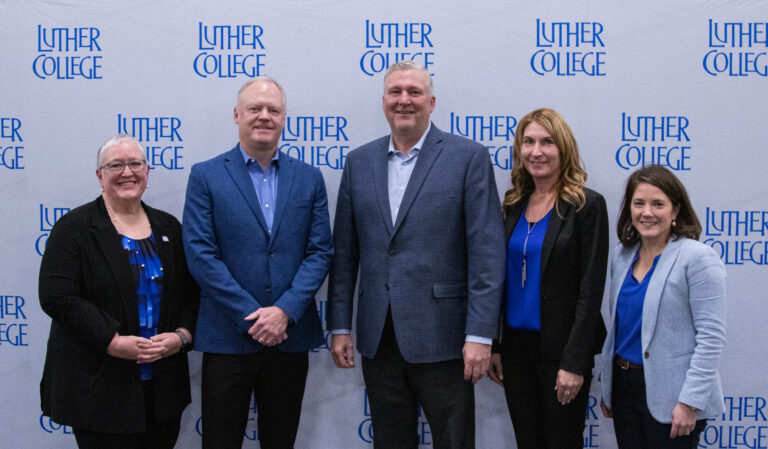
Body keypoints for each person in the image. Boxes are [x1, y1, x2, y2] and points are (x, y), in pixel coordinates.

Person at [327, 61, 505, 449]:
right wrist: (339, 324)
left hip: (447, 338)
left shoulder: (468, 157)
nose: (404, 100)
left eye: (414, 92)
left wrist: (480, 334)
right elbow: (344, 254)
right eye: (395, 92)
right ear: (384, 101)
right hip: (380, 336)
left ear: (432, 101)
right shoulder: (359, 162)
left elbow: (487, 255)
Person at [182, 77, 333, 449]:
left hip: (289, 335)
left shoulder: (310, 178)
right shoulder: (206, 175)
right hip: (228, 335)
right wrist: (254, 315)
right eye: (255, 109)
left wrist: (283, 311)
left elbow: (319, 252)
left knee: (281, 440)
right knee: (220, 441)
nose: (264, 116)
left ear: (284, 119)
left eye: (273, 110)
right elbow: (200, 253)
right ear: (237, 115)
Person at [38, 134, 199, 449]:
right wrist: (111, 341)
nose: (128, 172)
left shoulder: (170, 228)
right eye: (116, 165)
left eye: (135, 164)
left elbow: (192, 294)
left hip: (163, 386)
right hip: (99, 386)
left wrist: (181, 336)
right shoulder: (74, 228)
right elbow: (57, 296)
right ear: (100, 175)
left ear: (147, 172)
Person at [487, 108, 609, 449]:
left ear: (563, 149)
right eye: (528, 142)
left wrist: (575, 362)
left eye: (547, 142)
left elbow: (590, 289)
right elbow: (501, 280)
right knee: (527, 441)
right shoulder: (513, 204)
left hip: (561, 351)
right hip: (516, 350)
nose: (536, 151)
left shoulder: (586, 205)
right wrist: (496, 344)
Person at [599, 165, 726, 449]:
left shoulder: (697, 258)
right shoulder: (621, 256)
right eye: (639, 203)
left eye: (658, 204)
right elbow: (620, 328)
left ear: (676, 210)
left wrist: (690, 402)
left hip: (674, 395)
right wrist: (609, 384)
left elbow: (711, 337)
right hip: (624, 386)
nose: (647, 212)